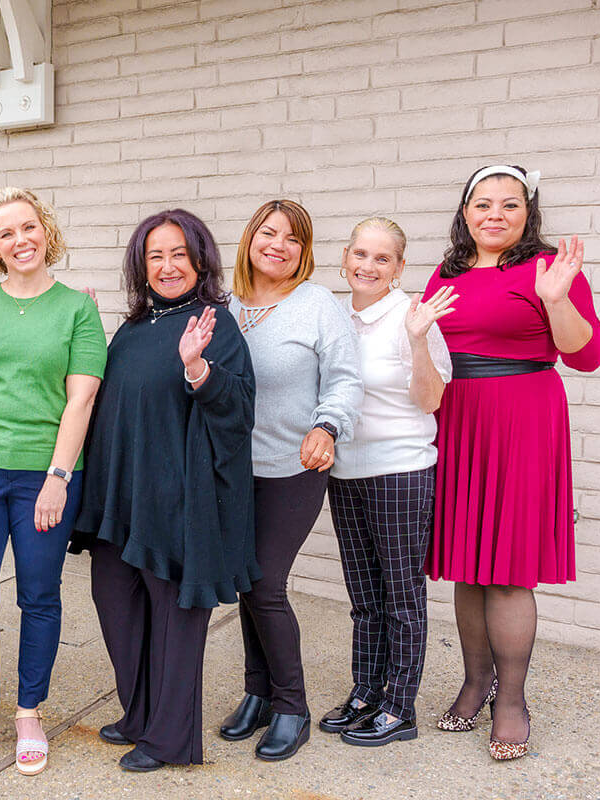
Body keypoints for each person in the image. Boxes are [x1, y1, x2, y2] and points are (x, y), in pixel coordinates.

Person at [423, 165, 600, 761]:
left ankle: (512, 700)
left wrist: (556, 302)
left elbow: (586, 356)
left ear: (528, 212)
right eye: (482, 204)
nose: (494, 214)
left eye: (509, 204)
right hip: (458, 419)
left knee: (507, 569)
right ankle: (476, 683)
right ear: (465, 212)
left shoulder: (548, 269)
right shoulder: (446, 271)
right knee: (468, 564)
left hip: (524, 416)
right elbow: (424, 346)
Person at [70, 210, 258, 772]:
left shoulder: (213, 324)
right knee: (116, 604)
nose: (168, 265)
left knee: (174, 621)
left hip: (177, 502)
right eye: (156, 255)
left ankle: (171, 740)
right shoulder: (134, 325)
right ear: (140, 265)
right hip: (120, 498)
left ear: (200, 260)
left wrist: (199, 370)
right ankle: (141, 713)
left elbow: (239, 411)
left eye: (179, 253)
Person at [0, 187, 106, 777]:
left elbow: (80, 400)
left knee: (38, 595)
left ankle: (29, 709)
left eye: (27, 227)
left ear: (45, 231)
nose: (20, 240)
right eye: (6, 233)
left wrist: (58, 478)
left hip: (46, 470)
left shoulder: (77, 308)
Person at [220, 199, 363, 761]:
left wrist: (328, 426)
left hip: (295, 466)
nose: (278, 246)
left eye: (292, 239)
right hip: (232, 469)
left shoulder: (317, 305)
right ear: (250, 238)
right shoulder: (228, 305)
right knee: (243, 581)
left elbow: (346, 380)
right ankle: (258, 692)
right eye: (268, 233)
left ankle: (291, 706)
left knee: (263, 583)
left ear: (304, 252)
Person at [319, 217, 455, 747]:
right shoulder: (334, 316)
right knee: (364, 596)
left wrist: (419, 341)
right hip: (345, 470)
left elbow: (431, 400)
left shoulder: (411, 317)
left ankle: (401, 706)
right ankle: (366, 690)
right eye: (360, 254)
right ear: (345, 257)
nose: (368, 266)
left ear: (399, 268)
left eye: (382, 258)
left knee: (400, 595)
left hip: (400, 470)